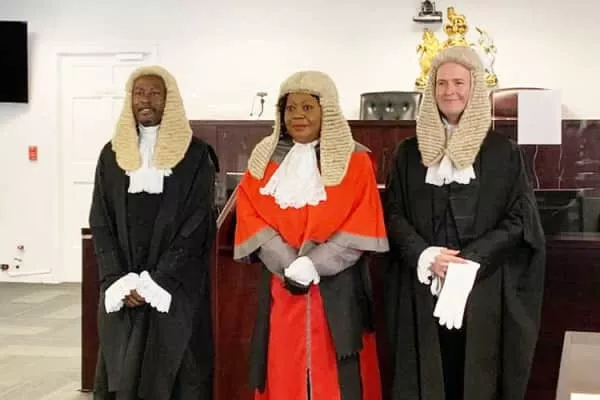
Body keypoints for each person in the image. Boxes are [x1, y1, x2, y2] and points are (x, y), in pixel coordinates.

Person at [383, 45, 546, 400]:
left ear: (474, 88)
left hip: (483, 287)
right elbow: (392, 213)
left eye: (459, 82)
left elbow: (520, 218)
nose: (449, 91)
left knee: (475, 377)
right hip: (423, 285)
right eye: (441, 83)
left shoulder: (503, 151)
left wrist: (470, 262)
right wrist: (426, 255)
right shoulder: (408, 153)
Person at [233, 71, 389, 400]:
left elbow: (363, 219)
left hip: (339, 286)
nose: (298, 116)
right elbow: (250, 214)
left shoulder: (356, 160)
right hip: (282, 284)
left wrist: (315, 263)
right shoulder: (263, 161)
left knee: (339, 377)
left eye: (308, 107)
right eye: (291, 108)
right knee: (283, 369)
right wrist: (287, 263)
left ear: (326, 110)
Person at [89, 65, 218, 400]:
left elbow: (197, 225)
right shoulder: (111, 154)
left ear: (169, 99)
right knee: (122, 368)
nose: (146, 100)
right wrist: (118, 279)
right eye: (139, 93)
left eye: (154, 93)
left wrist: (158, 281)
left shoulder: (196, 156)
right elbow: (100, 220)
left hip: (173, 287)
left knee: (177, 369)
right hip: (124, 282)